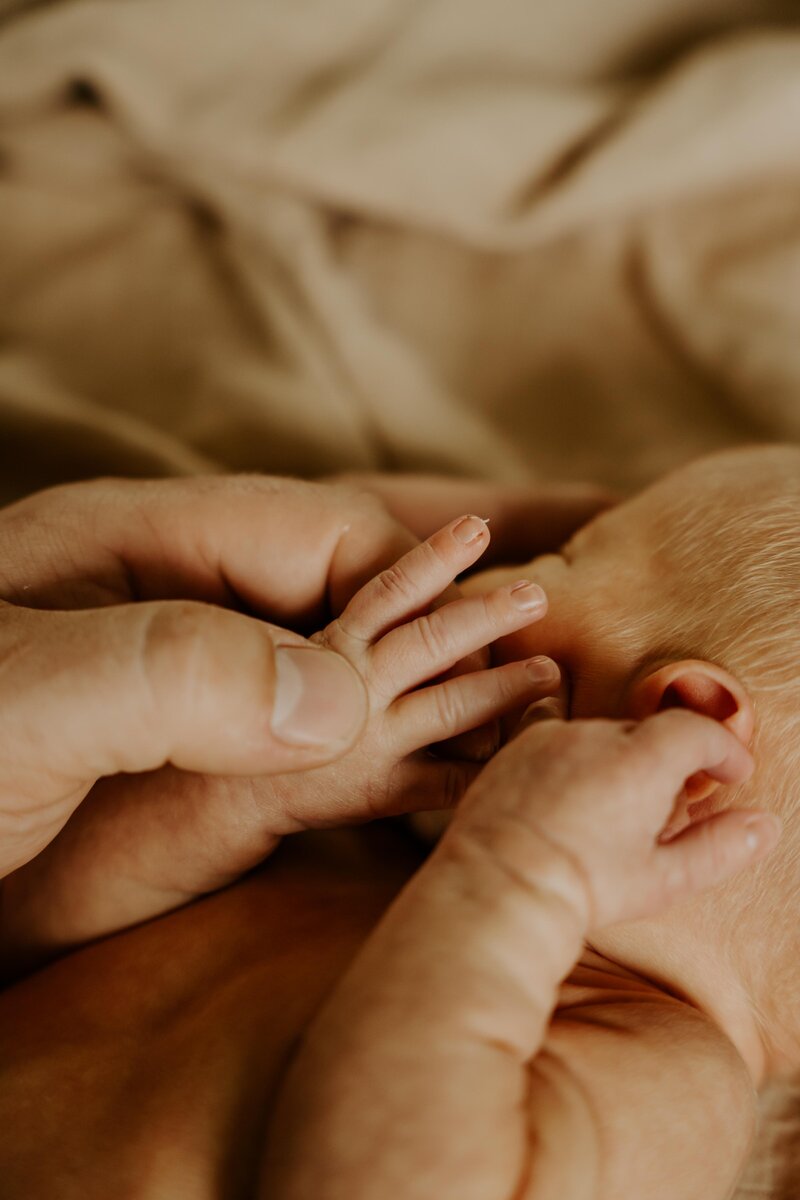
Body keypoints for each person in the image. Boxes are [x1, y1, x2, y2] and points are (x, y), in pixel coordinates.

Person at [0, 446, 788, 1199]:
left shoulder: (680, 1080)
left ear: (685, 739)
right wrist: (256, 794)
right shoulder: (394, 873)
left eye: (566, 558)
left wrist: (518, 876)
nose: (500, 573)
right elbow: (30, 925)